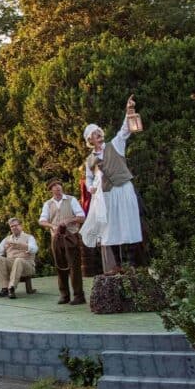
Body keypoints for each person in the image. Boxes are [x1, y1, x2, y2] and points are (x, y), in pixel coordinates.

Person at [83, 95, 145, 271]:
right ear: (90, 140)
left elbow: (125, 130)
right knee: (111, 229)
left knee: (129, 223)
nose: (99, 134)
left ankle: (134, 264)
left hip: (124, 189)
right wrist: (91, 188)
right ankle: (116, 266)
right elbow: (88, 178)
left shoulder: (115, 145)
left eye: (99, 131)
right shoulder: (90, 160)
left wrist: (129, 110)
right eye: (95, 133)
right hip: (108, 195)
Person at [39, 179, 88, 305]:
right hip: (56, 238)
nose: (57, 187)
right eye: (54, 186)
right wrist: (51, 226)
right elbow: (42, 221)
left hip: (71, 236)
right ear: (51, 190)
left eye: (59, 185)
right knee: (60, 266)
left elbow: (82, 217)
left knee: (74, 267)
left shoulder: (71, 200)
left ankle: (79, 296)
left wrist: (68, 221)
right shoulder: (48, 204)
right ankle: (64, 295)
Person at [0, 218, 38, 299]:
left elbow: (35, 249)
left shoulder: (29, 237)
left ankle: (11, 288)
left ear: (21, 226)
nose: (14, 227)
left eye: (16, 225)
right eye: (12, 226)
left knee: (19, 260)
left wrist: (22, 245)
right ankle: (5, 289)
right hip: (12, 264)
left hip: (27, 265)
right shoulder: (7, 239)